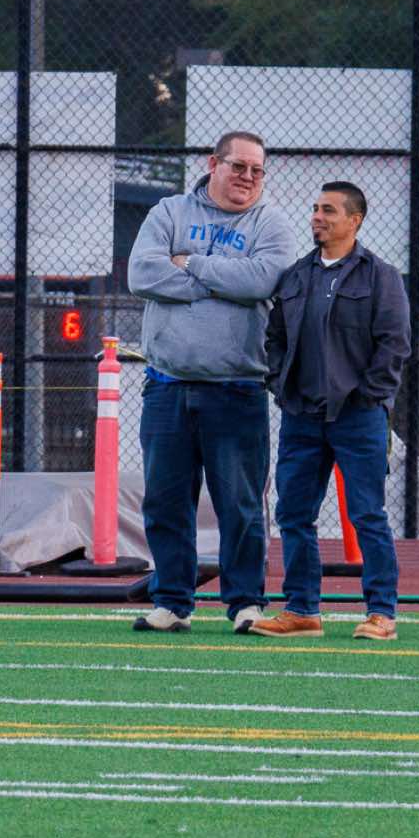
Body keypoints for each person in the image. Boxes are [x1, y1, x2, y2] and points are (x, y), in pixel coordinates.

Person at [124, 129, 292, 634]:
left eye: (257, 170)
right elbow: (142, 275)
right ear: (212, 164)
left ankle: (246, 604)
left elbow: (264, 280)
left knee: (240, 505)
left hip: (237, 389)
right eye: (238, 166)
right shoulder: (169, 212)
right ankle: (172, 602)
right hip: (167, 386)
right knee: (165, 501)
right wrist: (225, 280)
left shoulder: (270, 222)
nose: (247, 177)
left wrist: (192, 264)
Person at [251, 181, 411, 641]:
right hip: (301, 417)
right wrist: (281, 384)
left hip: (358, 418)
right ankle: (302, 610)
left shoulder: (380, 277)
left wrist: (367, 396)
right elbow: (275, 337)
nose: (317, 217)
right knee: (293, 514)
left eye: (328, 210)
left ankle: (381, 613)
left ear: (354, 220)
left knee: (367, 515)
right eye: (316, 209)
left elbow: (395, 344)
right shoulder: (297, 275)